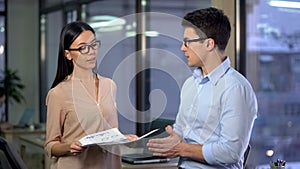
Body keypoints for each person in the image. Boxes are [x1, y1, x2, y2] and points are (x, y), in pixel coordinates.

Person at [147, 7, 257, 169]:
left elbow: (230, 153)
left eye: (187, 42)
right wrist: (172, 139)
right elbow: (181, 132)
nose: (182, 48)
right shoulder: (190, 84)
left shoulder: (235, 88)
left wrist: (182, 148)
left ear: (208, 43)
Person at [44, 21, 137, 169]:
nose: (91, 51)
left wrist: (124, 138)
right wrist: (69, 146)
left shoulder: (109, 85)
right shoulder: (58, 93)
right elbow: (51, 145)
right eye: (83, 48)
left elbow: (111, 132)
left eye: (94, 45)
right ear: (68, 54)